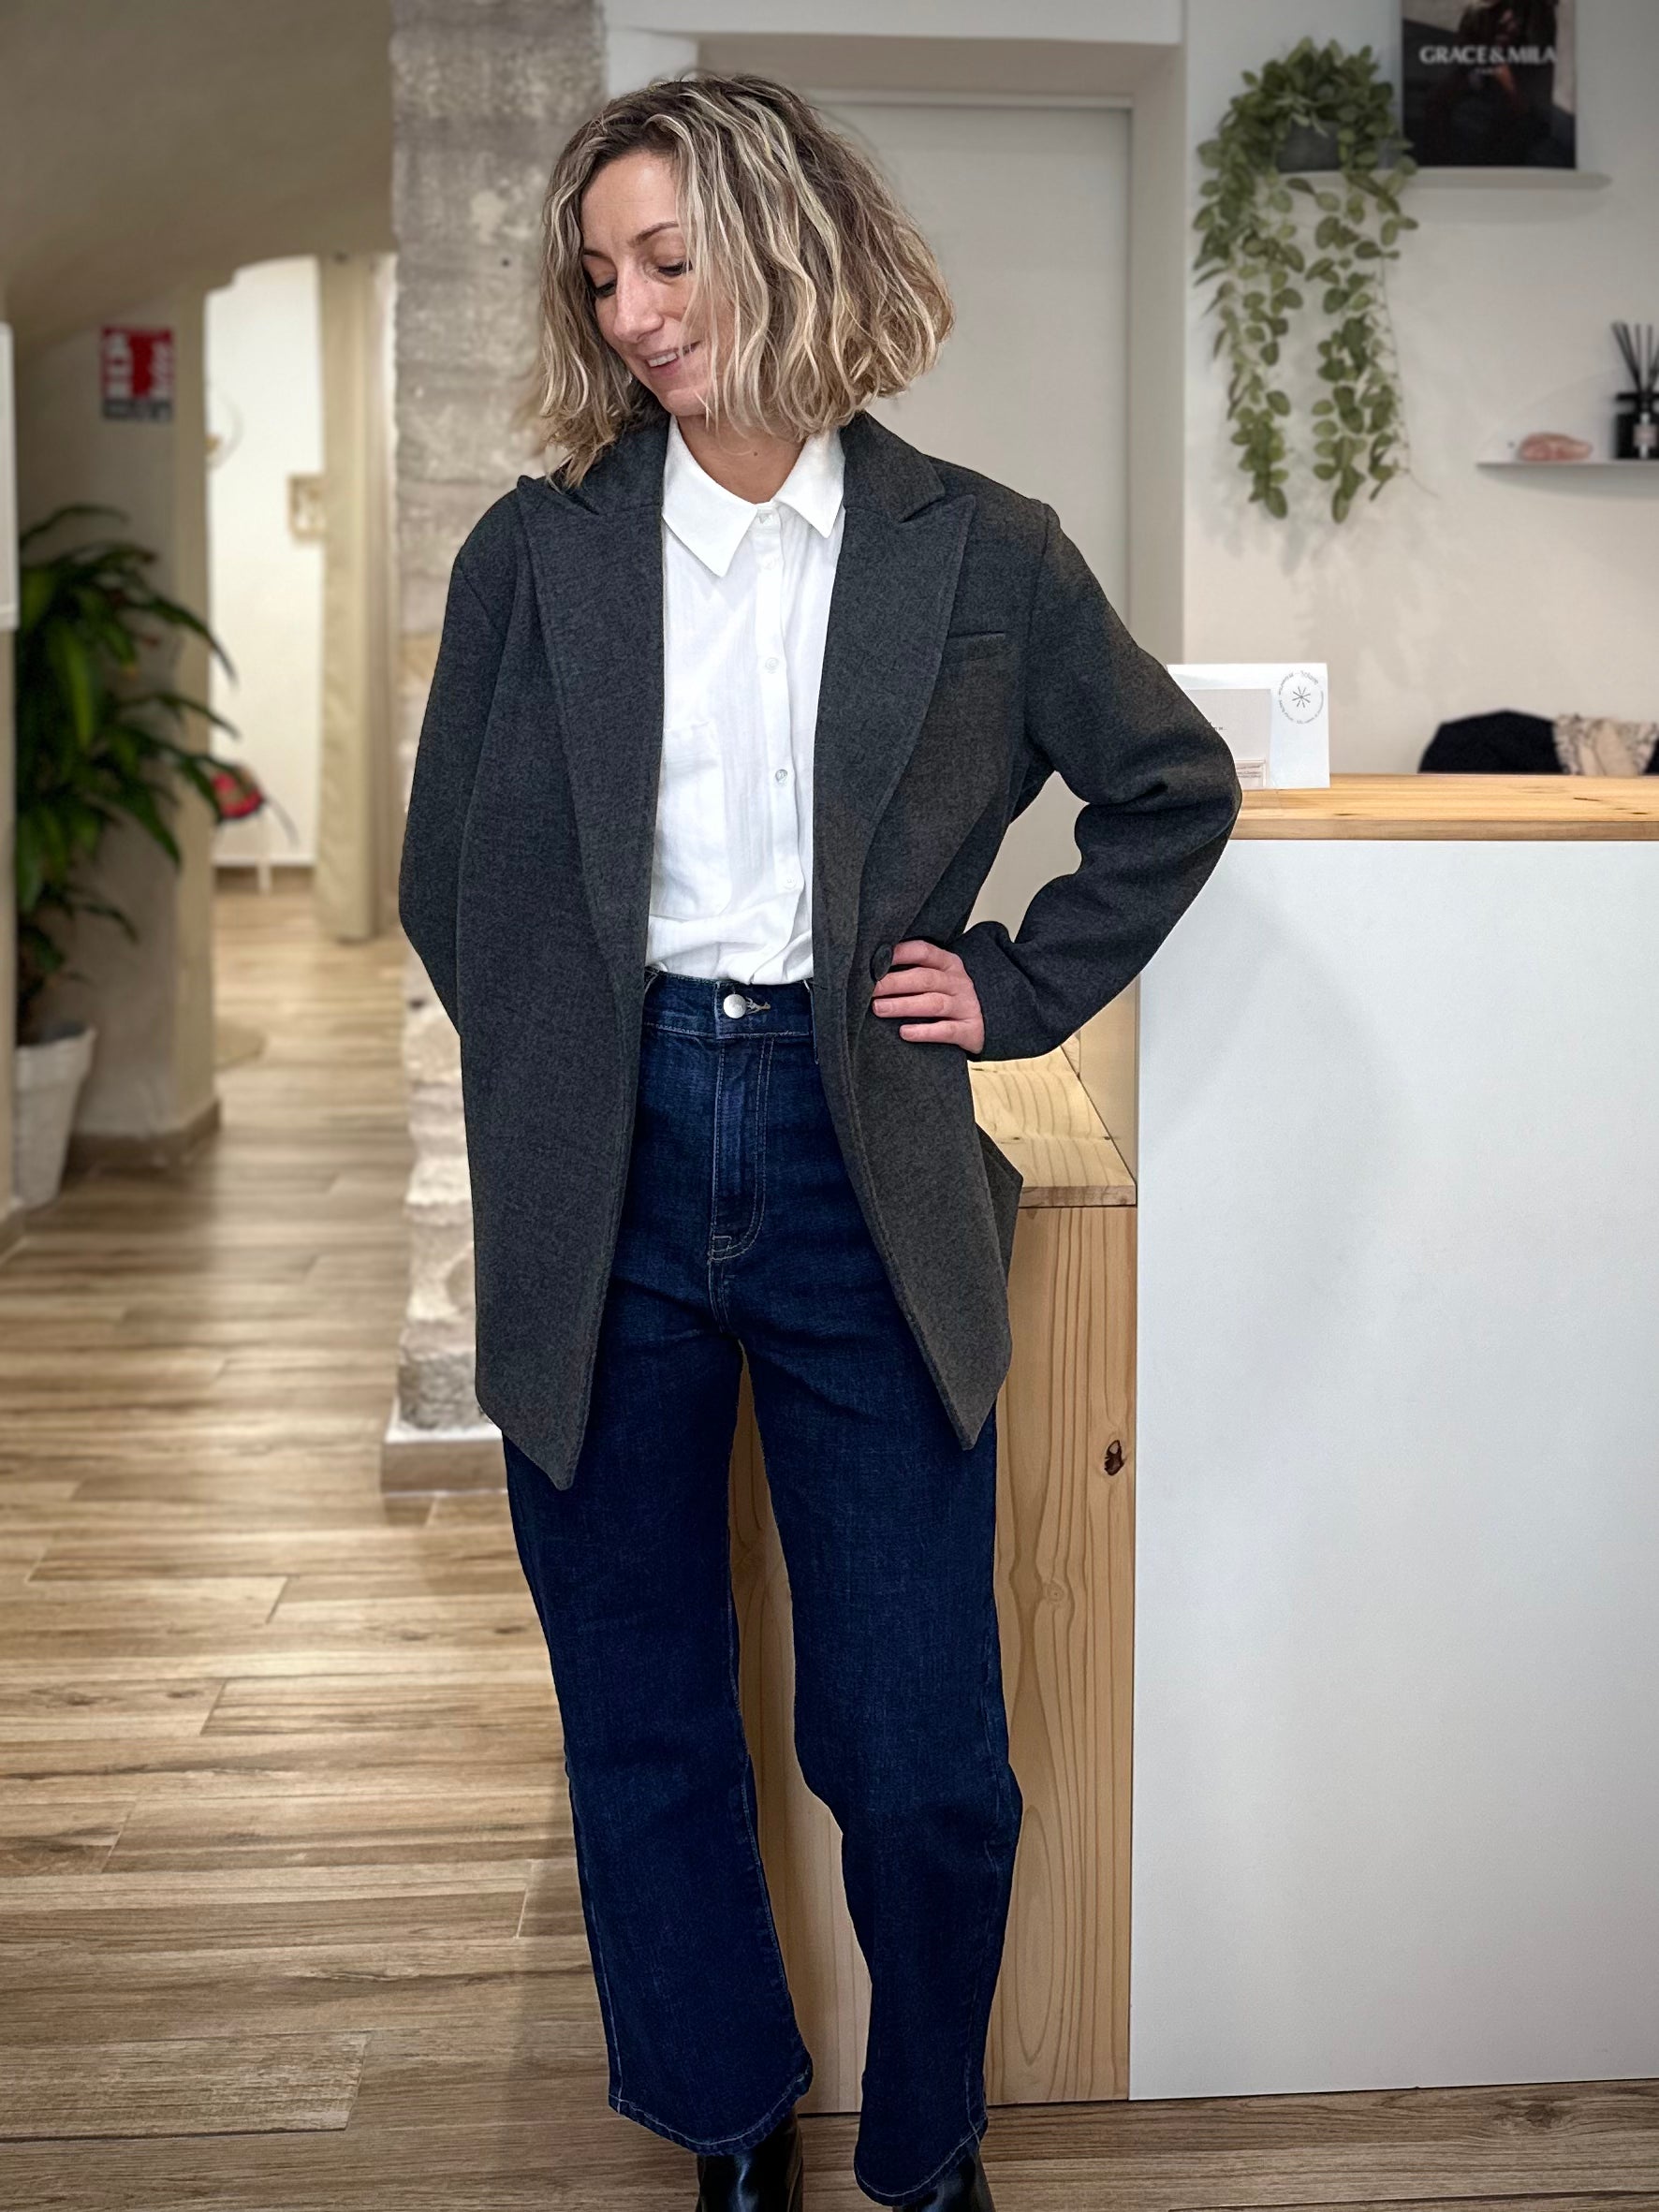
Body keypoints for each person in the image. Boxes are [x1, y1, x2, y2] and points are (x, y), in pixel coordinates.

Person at [399, 70, 1241, 2212]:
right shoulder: (540, 552)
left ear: (786, 244)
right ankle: (726, 2117)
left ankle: (932, 2137)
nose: (635, 312)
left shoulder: (981, 554)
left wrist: (1018, 980)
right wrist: (573, 1069)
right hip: (607, 1173)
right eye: (603, 276)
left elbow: (1170, 784)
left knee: (922, 1754)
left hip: (861, 1152)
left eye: (668, 260)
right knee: (649, 1712)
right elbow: (450, 880)